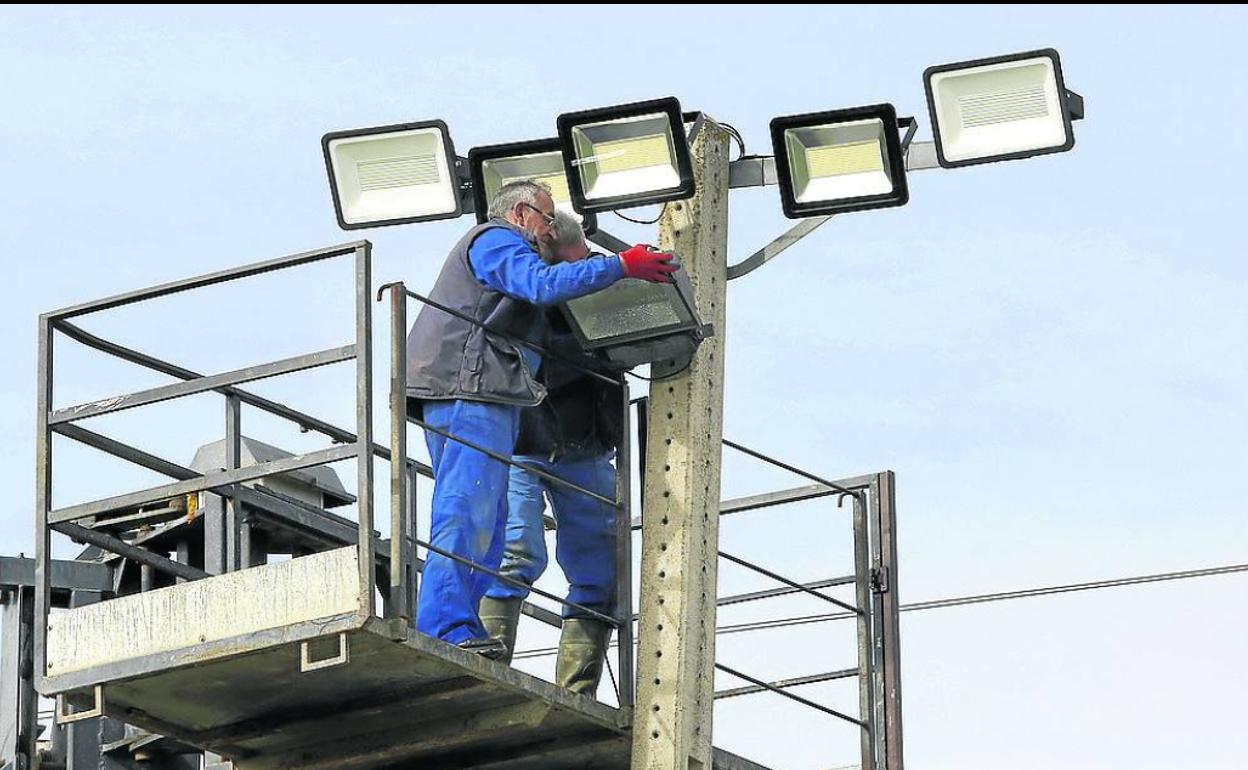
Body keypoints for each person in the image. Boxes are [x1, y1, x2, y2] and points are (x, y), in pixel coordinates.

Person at [406, 180, 673, 658]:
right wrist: (621, 265)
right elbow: (539, 284)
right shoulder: (494, 239)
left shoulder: (506, 248)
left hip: (483, 391)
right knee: (468, 509)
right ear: (523, 213)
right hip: (471, 387)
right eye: (547, 220)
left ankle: (460, 627)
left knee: (487, 516)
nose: (547, 231)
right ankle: (445, 627)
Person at [478, 210, 622, 694]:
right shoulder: (519, 284)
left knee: (599, 570)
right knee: (515, 551)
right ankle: (488, 669)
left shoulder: (600, 277)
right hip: (525, 439)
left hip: (585, 443)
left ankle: (577, 692)